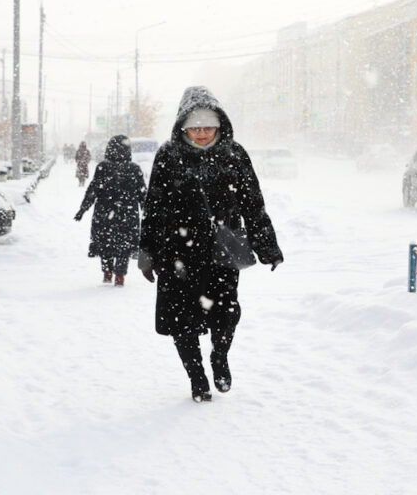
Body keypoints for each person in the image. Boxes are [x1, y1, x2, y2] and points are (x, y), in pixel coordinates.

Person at [139, 86, 283, 403]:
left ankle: (219, 356)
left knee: (226, 313)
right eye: (195, 127)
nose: (202, 134)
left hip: (223, 249)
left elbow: (253, 204)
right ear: (183, 127)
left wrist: (267, 245)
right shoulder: (168, 155)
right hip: (176, 251)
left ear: (219, 125)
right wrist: (146, 251)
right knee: (181, 320)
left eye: (208, 127)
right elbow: (154, 207)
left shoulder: (235, 154)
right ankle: (197, 378)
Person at [74, 135, 147, 285]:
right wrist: (147, 212)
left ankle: (107, 273)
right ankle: (120, 276)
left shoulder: (103, 167)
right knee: (124, 248)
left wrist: (83, 209)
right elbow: (142, 194)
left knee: (105, 244)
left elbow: (93, 190)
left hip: (104, 213)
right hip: (127, 214)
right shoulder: (134, 169)